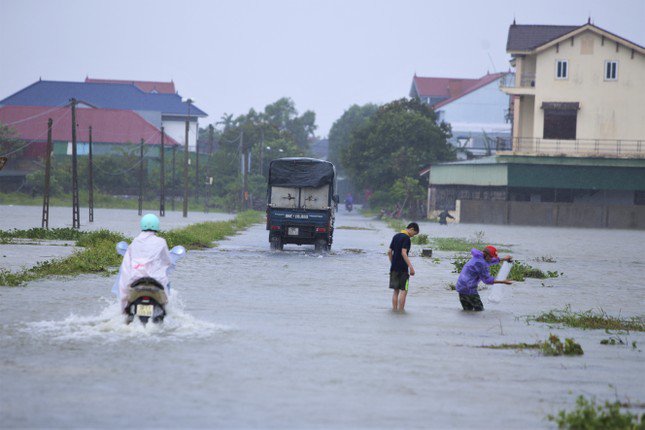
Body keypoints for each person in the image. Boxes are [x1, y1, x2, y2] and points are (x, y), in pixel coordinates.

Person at [115, 214, 172, 311]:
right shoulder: (161, 242)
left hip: (135, 280)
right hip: (156, 281)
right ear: (157, 226)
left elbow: (125, 269)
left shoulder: (135, 242)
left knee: (126, 304)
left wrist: (123, 301)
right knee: (165, 301)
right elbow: (167, 261)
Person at [456, 245, 512, 311]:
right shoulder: (481, 263)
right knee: (480, 310)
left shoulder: (478, 256)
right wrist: (503, 282)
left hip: (461, 288)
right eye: (491, 257)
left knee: (467, 312)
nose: (491, 258)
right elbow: (487, 281)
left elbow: (489, 261)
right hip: (469, 289)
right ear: (486, 255)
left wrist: (503, 259)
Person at [388, 222, 420, 311]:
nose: (413, 236)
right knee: (404, 290)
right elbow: (403, 252)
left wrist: (392, 263)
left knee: (395, 291)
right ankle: (401, 311)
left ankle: (394, 310)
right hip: (403, 269)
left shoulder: (396, 236)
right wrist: (411, 267)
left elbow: (389, 252)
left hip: (394, 268)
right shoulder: (406, 238)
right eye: (414, 234)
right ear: (412, 229)